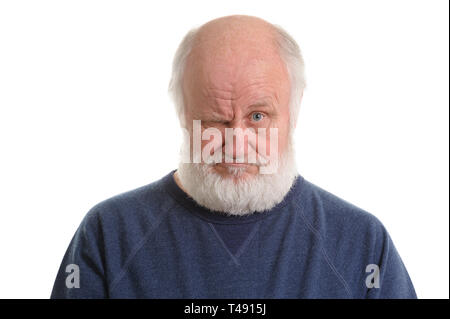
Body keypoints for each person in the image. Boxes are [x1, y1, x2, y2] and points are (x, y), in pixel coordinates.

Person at [51, 15, 417, 298]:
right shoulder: (108, 234)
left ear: (294, 110)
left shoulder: (362, 242)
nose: (236, 144)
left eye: (258, 117)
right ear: (182, 115)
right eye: (214, 120)